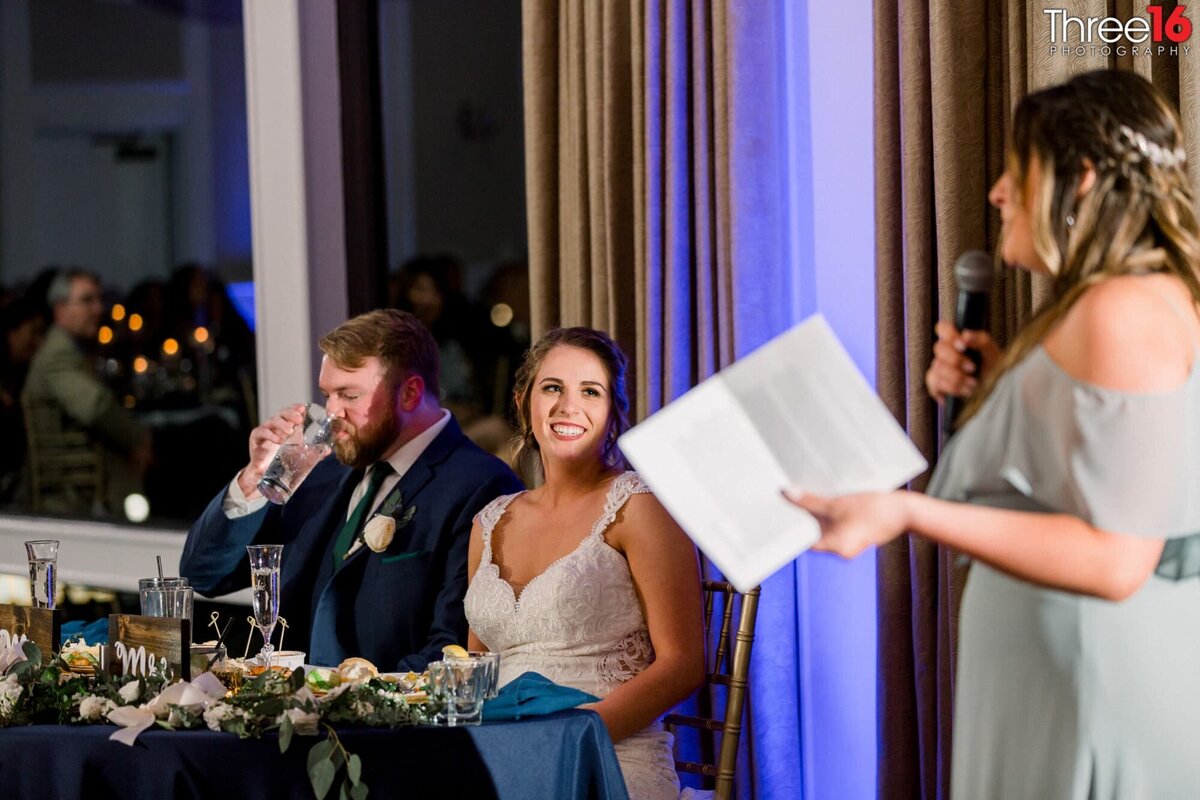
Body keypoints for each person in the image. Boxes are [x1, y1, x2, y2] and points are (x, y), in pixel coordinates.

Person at [784, 70, 1200, 798]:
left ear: (1081, 181)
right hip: (1047, 673)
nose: (997, 192)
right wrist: (1006, 383)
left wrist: (906, 511)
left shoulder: (1122, 308)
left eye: (1018, 170)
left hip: (1089, 677)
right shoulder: (1112, 303)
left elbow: (1118, 558)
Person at [181, 309, 523, 671]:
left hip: (388, 720)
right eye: (327, 395)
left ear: (409, 394)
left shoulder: (483, 486)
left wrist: (353, 702)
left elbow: (452, 650)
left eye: (349, 396)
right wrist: (253, 477)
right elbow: (207, 575)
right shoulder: (317, 473)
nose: (331, 413)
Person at [464, 327, 705, 800]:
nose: (567, 407)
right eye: (552, 388)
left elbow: (683, 664)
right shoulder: (489, 522)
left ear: (613, 413)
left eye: (589, 392)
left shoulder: (639, 507)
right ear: (522, 402)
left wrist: (570, 738)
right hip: (502, 754)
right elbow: (475, 667)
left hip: (608, 755)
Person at [21, 269, 151, 515]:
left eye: (98, 300)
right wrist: (136, 439)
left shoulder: (72, 351)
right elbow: (95, 407)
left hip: (85, 482)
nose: (98, 309)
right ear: (60, 307)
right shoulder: (57, 354)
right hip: (71, 492)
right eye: (87, 300)